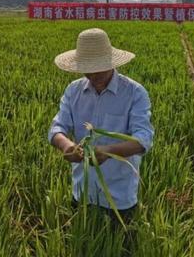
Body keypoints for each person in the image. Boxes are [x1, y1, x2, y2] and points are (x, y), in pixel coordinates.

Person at [48, 28, 154, 223]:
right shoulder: (74, 91)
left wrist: (110, 150)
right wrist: (66, 146)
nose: (92, 74)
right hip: (82, 190)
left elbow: (144, 139)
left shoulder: (134, 92)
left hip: (119, 195)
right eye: (87, 68)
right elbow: (57, 128)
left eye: (97, 68)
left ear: (111, 63)